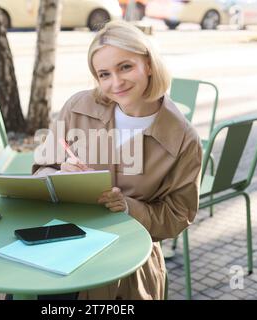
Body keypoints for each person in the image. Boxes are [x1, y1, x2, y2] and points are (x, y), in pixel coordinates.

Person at [29, 20, 202, 300]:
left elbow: (178, 216)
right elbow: (40, 169)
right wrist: (59, 172)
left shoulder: (183, 139)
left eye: (125, 67)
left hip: (124, 263)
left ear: (148, 64)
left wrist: (128, 207)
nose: (116, 82)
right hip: (57, 240)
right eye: (104, 74)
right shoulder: (77, 107)